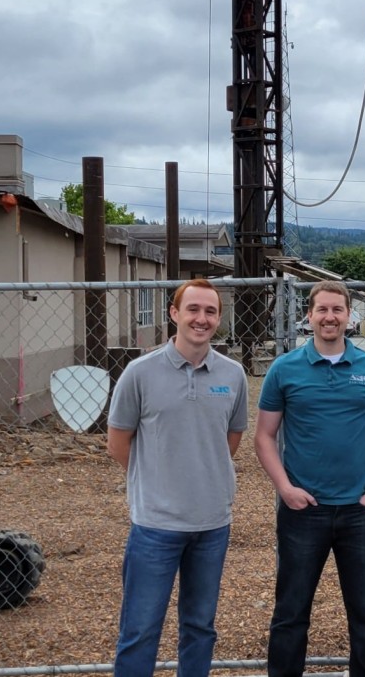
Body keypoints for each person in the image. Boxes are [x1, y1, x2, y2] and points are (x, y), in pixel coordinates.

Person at [255, 280, 365, 677]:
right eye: (322, 309)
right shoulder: (284, 369)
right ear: (309, 314)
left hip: (359, 512)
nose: (330, 317)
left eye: (338, 309)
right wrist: (286, 489)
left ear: (349, 315)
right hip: (304, 511)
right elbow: (264, 437)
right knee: (291, 611)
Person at [107, 279, 248, 677]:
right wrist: (160, 479)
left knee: (200, 628)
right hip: (155, 526)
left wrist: (201, 476)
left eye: (210, 312)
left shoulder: (233, 375)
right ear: (174, 313)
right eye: (193, 309)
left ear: (218, 319)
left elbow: (229, 440)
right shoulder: (139, 373)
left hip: (212, 525)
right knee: (140, 631)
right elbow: (118, 444)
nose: (201, 319)